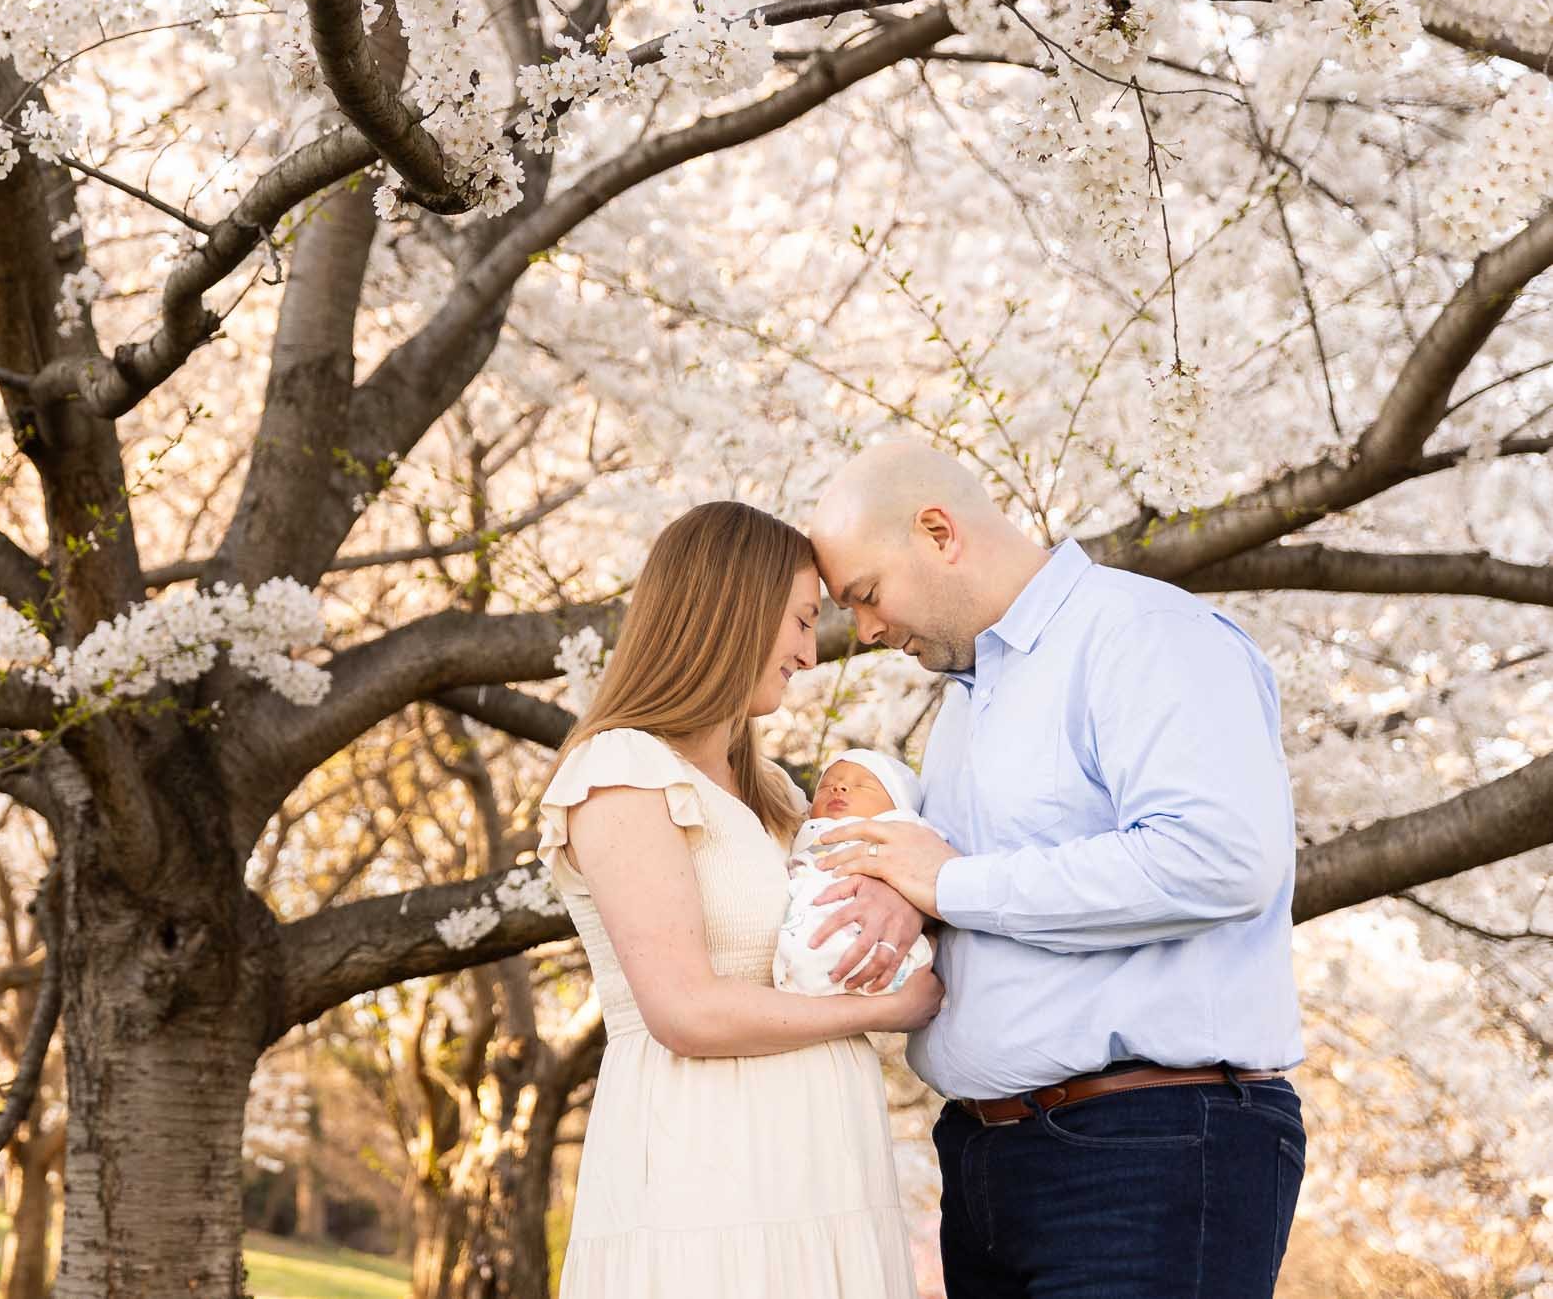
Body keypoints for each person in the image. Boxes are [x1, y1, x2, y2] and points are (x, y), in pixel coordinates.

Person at [808, 441, 1307, 1299]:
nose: (868, 631)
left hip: (1148, 1145)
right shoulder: (968, 703)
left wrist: (951, 885)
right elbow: (983, 881)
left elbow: (1219, 856)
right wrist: (908, 899)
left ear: (938, 531)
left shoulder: (1142, 635)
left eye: (866, 594)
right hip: (987, 1161)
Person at [539, 501, 938, 1298]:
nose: (808, 652)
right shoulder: (622, 768)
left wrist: (910, 907)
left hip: (828, 1168)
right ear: (731, 610)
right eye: (798, 621)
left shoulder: (781, 798)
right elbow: (684, 1010)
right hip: (710, 1163)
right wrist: (880, 1010)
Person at [775, 751, 937, 998]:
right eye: (827, 785)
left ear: (898, 804)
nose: (838, 788)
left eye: (862, 786)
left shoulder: (905, 829)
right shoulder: (802, 830)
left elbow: (933, 870)